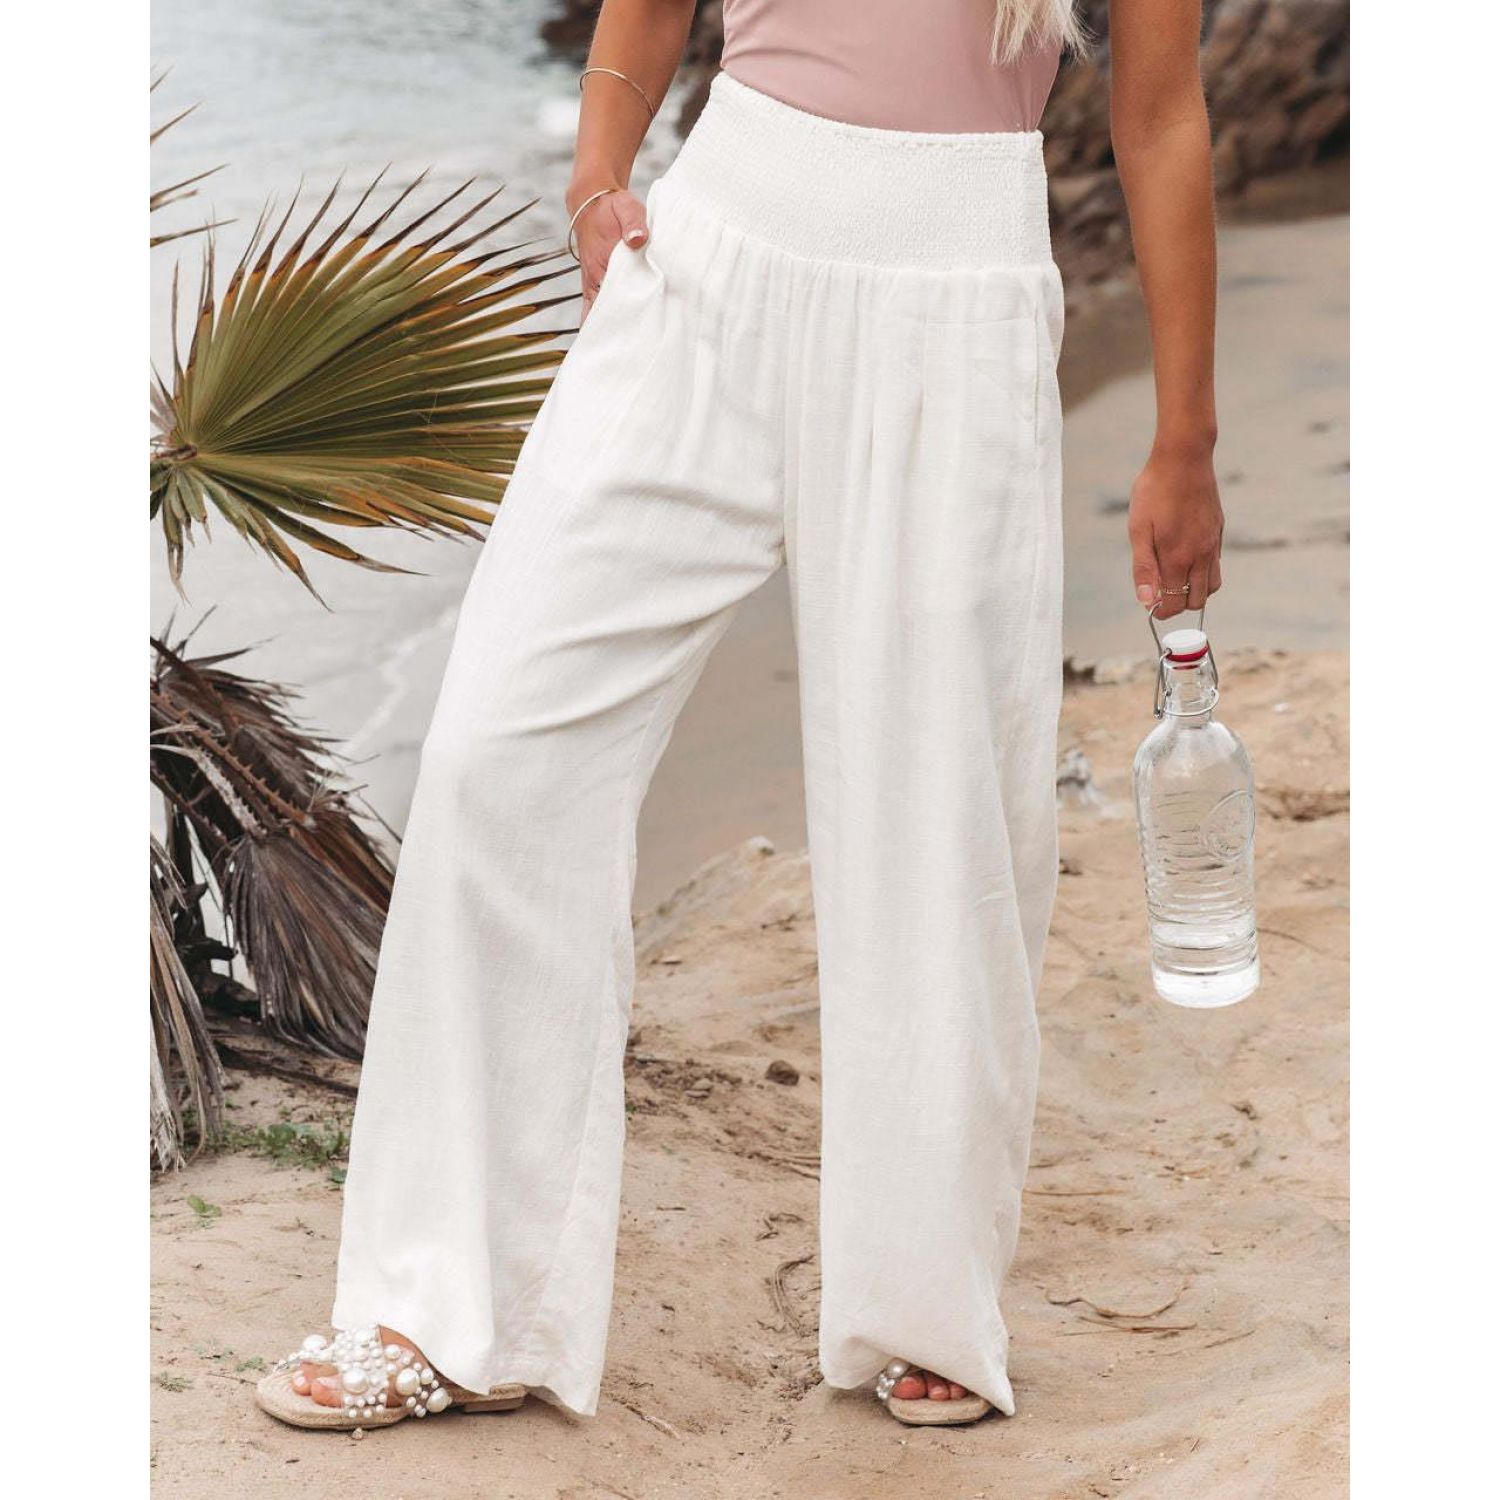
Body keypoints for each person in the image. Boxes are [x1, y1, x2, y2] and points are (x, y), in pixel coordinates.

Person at [256, 0, 1223, 1434]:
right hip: (712, 248)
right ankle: (446, 1307)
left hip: (952, 290)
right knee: (498, 754)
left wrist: (1185, 441)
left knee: (938, 815)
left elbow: (1159, 113)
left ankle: (926, 1300)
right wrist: (596, 173)